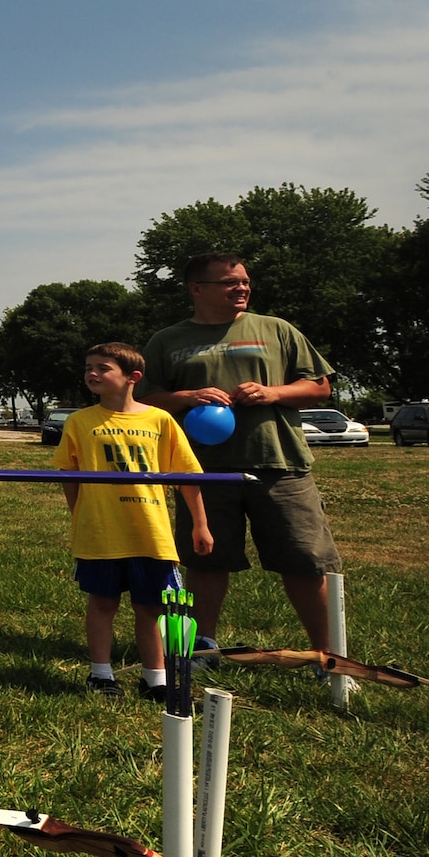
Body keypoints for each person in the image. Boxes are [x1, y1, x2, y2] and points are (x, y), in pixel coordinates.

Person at [139, 253, 343, 651]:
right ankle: (202, 648)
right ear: (197, 289)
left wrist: (273, 393)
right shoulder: (168, 340)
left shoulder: (276, 330)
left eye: (245, 281)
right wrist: (186, 396)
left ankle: (328, 656)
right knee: (205, 559)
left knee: (305, 560)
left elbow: (319, 387)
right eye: (230, 282)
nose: (242, 288)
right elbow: (146, 400)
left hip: (278, 463)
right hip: (203, 471)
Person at [54, 343, 215, 701]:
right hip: (101, 532)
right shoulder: (80, 421)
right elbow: (69, 472)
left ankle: (154, 679)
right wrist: (79, 511)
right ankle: (101, 675)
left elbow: (188, 476)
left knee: (151, 607)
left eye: (103, 368)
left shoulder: (159, 420)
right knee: (102, 602)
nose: (92, 374)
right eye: (88, 368)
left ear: (133, 377)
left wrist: (199, 524)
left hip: (150, 531)